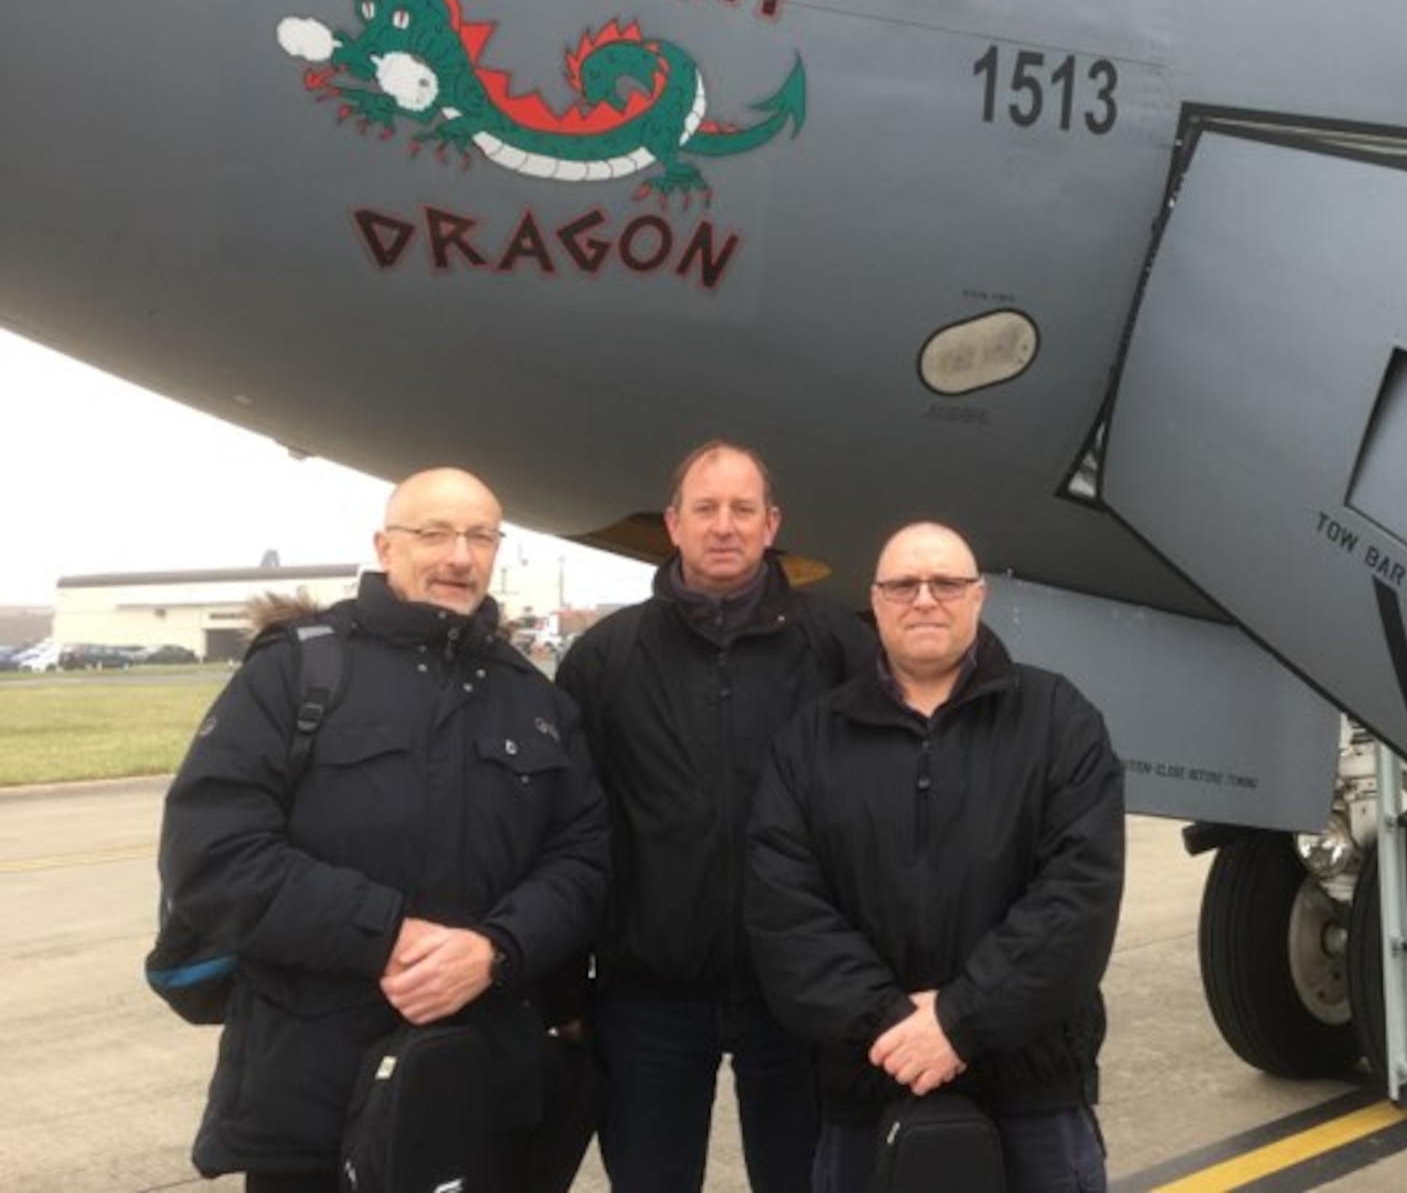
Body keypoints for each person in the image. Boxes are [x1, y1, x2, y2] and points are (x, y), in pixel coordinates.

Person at [158, 467, 611, 1193]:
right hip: (312, 1087)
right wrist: (388, 933)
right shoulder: (298, 671)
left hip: (475, 1082)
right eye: (433, 533)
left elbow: (583, 860)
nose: (458, 556)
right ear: (385, 545)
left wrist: (496, 949)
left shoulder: (535, 700)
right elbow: (211, 852)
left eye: (480, 536)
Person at [745, 522, 1127, 1193]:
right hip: (868, 1088)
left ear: (978, 596)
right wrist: (896, 1027)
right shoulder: (809, 740)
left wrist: (959, 1021)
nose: (925, 598)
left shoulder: (1059, 718)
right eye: (903, 584)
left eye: (946, 582)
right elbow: (785, 912)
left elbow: (1078, 896)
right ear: (875, 600)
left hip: (1033, 1094)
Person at [556, 440, 874, 1193]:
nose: (723, 525)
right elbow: (569, 829)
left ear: (772, 524)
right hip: (648, 994)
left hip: (800, 990)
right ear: (672, 524)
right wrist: (564, 990)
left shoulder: (839, 647)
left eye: (741, 509)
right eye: (705, 508)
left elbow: (880, 813)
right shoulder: (605, 658)